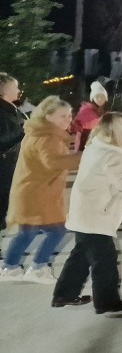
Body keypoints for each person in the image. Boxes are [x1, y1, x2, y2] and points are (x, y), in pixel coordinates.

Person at [53, 112, 122, 313]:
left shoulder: (96, 146)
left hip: (85, 209)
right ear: (118, 130)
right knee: (105, 260)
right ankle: (107, 302)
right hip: (95, 213)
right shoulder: (111, 154)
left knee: (81, 255)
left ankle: (63, 295)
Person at [1, 96, 82, 283]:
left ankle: (9, 267)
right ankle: (37, 268)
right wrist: (83, 157)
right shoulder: (47, 137)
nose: (68, 119)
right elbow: (53, 162)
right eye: (62, 116)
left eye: (69, 115)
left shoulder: (38, 133)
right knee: (57, 231)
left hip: (33, 191)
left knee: (27, 232)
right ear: (47, 116)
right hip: (37, 193)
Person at [0, 73, 27, 250]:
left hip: (11, 169)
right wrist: (23, 130)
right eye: (15, 87)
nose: (18, 90)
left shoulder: (11, 110)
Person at [72, 81, 108, 150]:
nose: (100, 99)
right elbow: (96, 121)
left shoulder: (101, 111)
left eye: (102, 96)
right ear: (93, 98)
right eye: (97, 96)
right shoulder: (87, 110)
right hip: (85, 143)